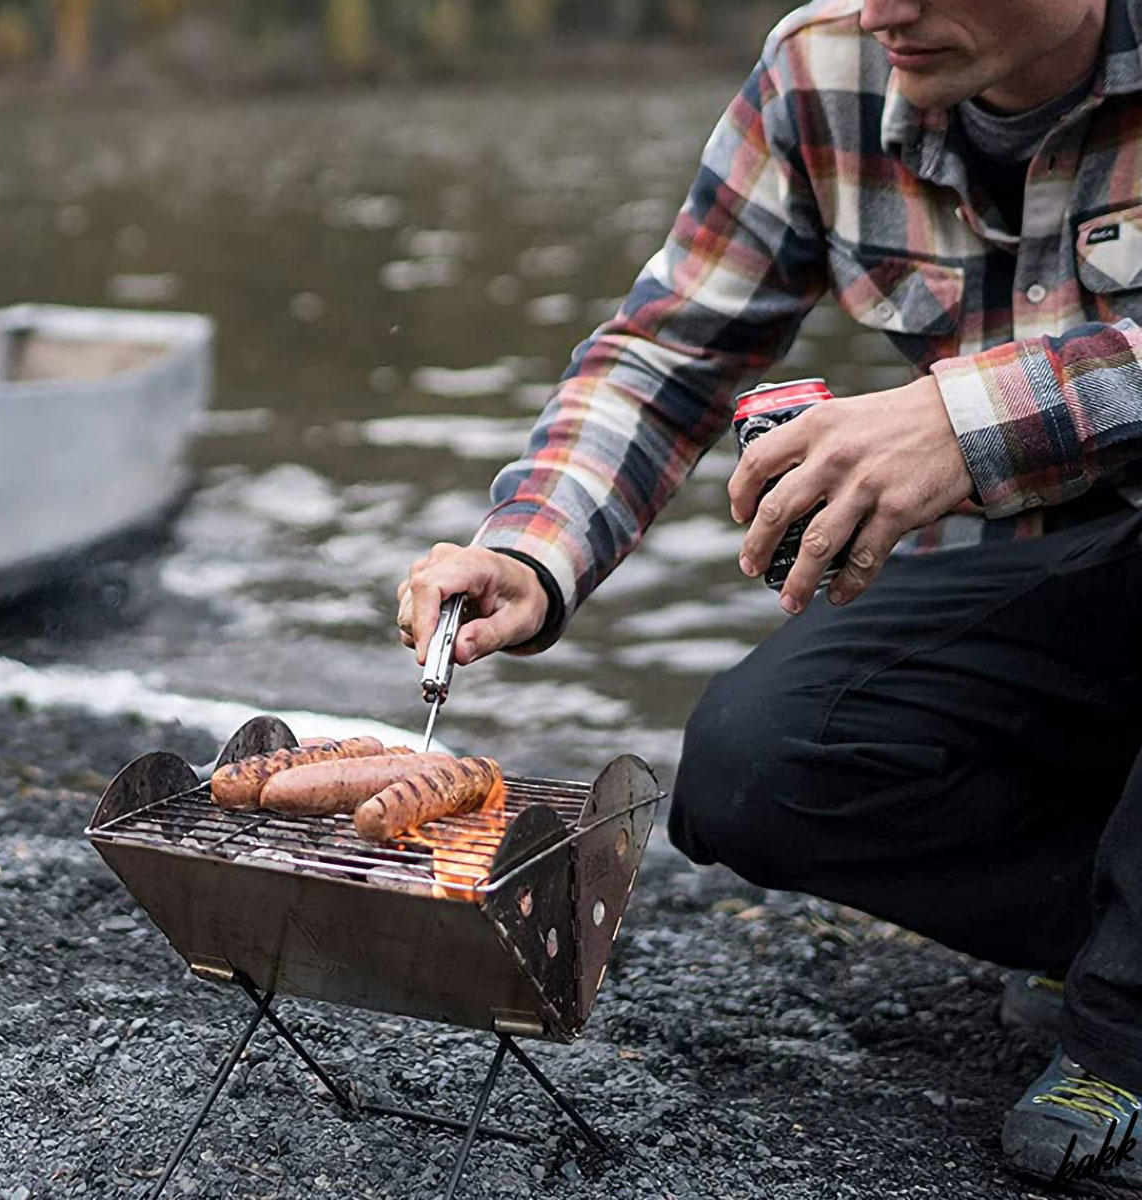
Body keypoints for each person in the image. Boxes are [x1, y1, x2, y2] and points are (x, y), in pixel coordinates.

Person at [395, 0, 1142, 1184]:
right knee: (756, 770)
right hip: (1053, 585)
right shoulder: (825, 67)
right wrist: (533, 550)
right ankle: (1109, 919)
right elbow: (666, 358)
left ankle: (1126, 1027)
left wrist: (974, 416)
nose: (886, 7)